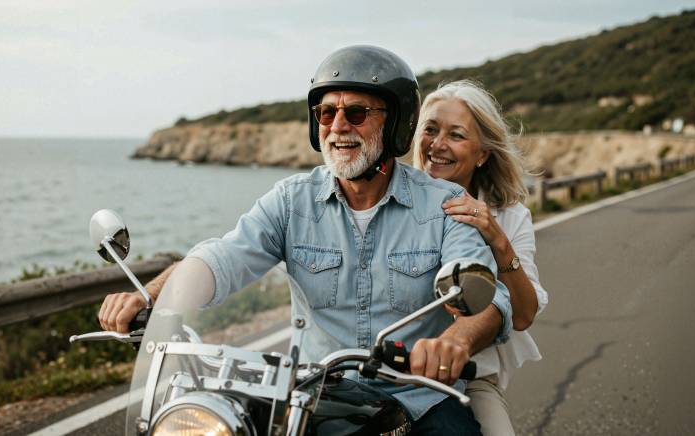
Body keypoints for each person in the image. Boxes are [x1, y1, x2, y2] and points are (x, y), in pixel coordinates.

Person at [99, 46, 513, 434]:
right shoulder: (291, 201)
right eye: (326, 113)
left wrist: (454, 341)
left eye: (356, 113)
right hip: (314, 397)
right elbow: (225, 256)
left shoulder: (444, 205)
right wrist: (153, 297)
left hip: (419, 395)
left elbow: (488, 295)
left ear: (397, 122)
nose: (337, 127)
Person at [412, 79, 549, 435]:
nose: (438, 145)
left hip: (471, 377)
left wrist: (497, 239)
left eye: (456, 135)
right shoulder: (396, 201)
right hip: (394, 370)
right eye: (430, 130)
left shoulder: (511, 216)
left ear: (483, 153)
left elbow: (523, 315)